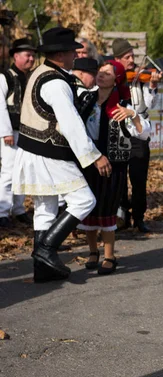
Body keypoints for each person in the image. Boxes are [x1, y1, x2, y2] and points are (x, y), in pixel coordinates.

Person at [12, 27, 111, 283]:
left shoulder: (41, 73)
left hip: (32, 150)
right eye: (72, 51)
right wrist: (94, 156)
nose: (76, 55)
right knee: (84, 200)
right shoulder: (56, 82)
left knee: (46, 208)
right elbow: (70, 125)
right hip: (49, 153)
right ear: (62, 54)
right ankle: (45, 249)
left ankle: (43, 269)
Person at [79, 61, 151, 275]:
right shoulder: (86, 99)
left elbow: (144, 133)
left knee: (107, 209)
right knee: (88, 209)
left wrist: (134, 116)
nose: (101, 75)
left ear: (116, 79)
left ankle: (109, 255)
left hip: (113, 165)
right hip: (88, 162)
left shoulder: (123, 105)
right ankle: (93, 251)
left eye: (107, 73)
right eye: (100, 72)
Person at [113, 38, 159, 233]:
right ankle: (122, 216)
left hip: (139, 133)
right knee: (120, 178)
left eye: (132, 56)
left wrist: (153, 87)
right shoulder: (113, 79)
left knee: (139, 179)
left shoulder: (139, 79)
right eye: (127, 57)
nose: (131, 60)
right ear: (117, 59)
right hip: (120, 133)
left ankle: (139, 217)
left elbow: (150, 104)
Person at [0, 38, 36, 228]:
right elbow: (0, 106)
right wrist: (6, 132)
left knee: (23, 171)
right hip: (10, 132)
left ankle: (18, 209)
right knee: (8, 172)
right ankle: (2, 211)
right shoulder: (4, 77)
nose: (31, 58)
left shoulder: (31, 77)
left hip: (26, 132)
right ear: (16, 56)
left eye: (32, 55)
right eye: (27, 55)